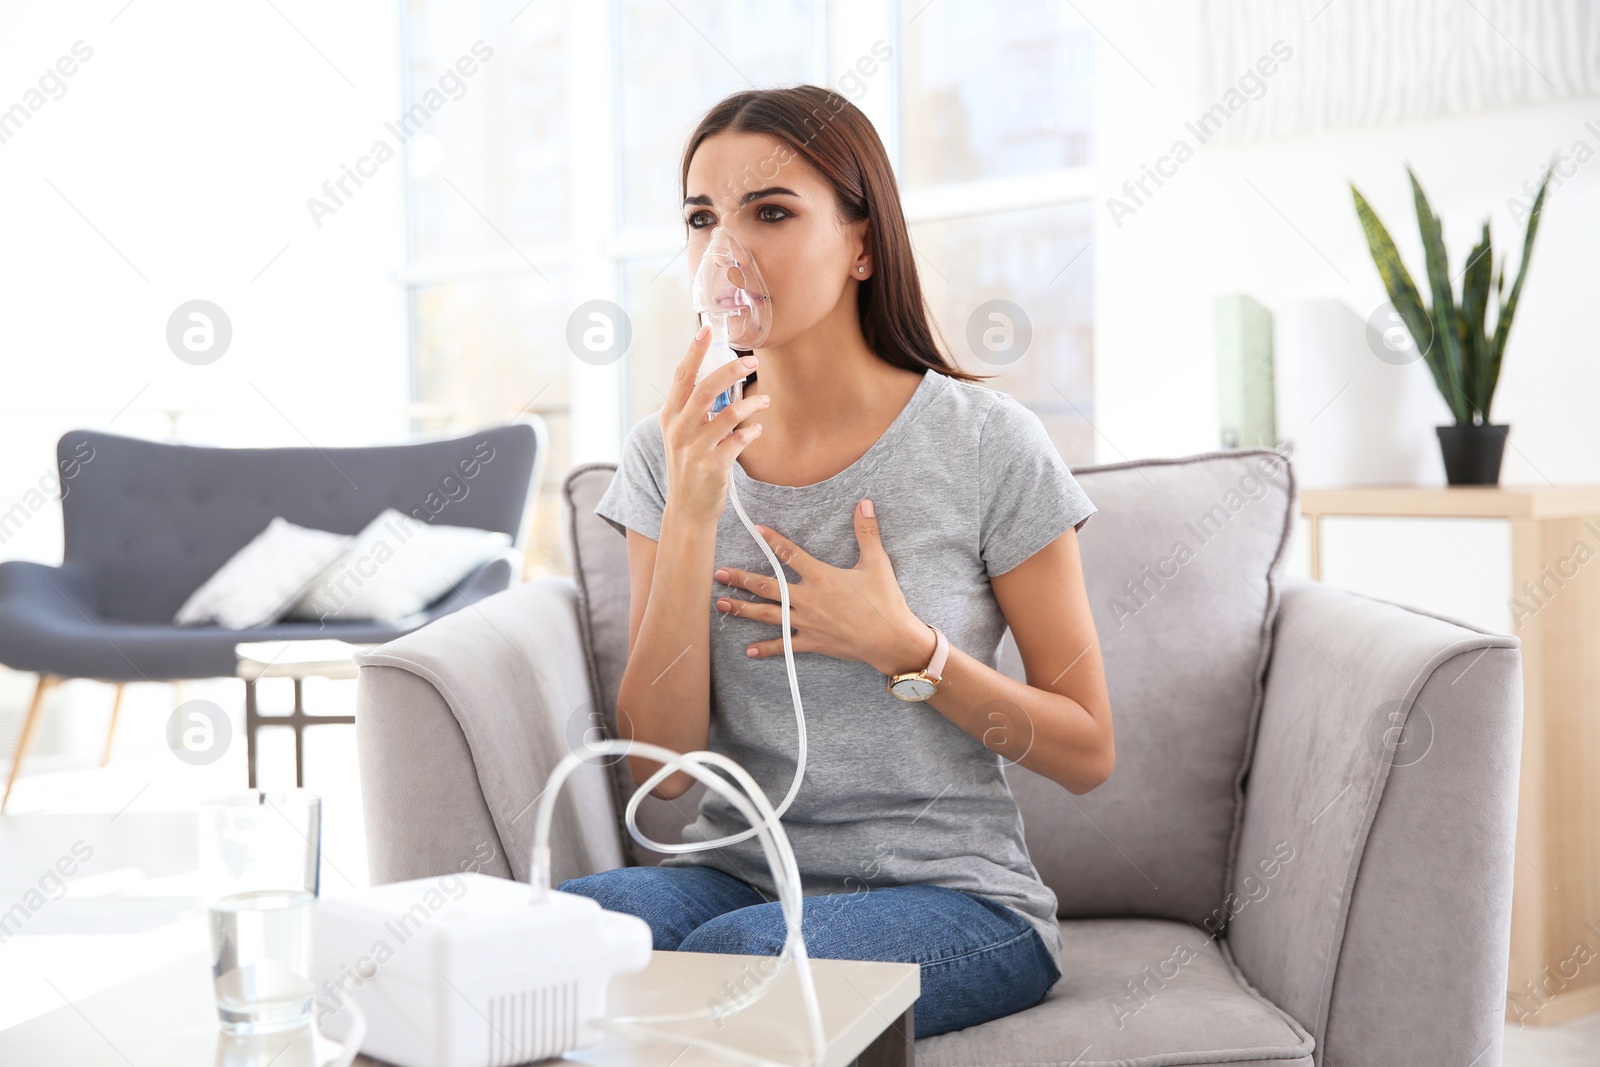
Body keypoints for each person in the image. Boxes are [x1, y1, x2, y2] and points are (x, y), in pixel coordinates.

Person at [563, 84, 1114, 1038]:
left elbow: (1086, 749)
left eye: (770, 211)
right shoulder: (670, 450)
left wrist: (905, 648)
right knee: (546, 937)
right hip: (733, 875)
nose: (727, 250)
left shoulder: (987, 443)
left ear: (862, 243)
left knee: (735, 968)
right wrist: (693, 508)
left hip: (954, 899)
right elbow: (665, 774)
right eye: (703, 218)